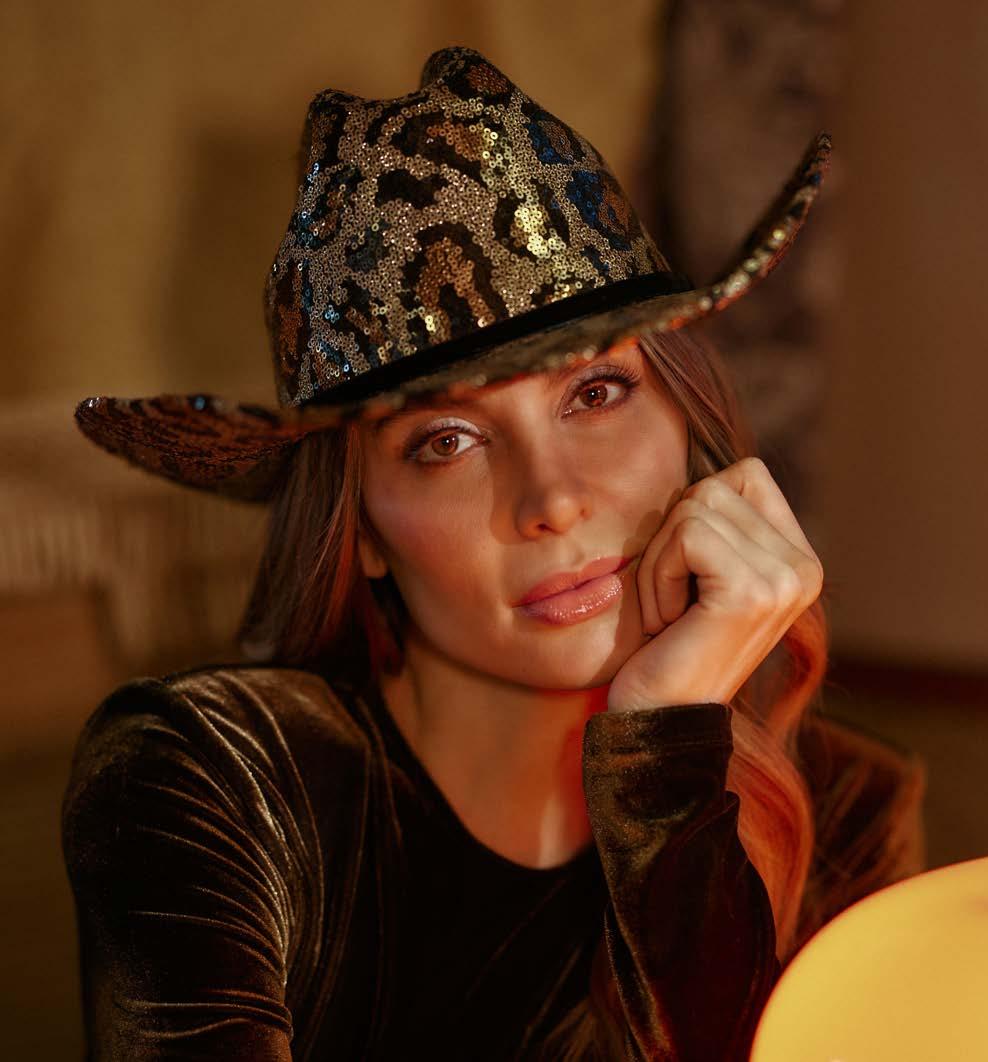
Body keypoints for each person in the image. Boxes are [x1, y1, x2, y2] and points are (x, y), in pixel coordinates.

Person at [61, 45, 925, 1061]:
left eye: (594, 394)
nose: (551, 500)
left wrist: (667, 754)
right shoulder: (211, 776)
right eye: (446, 442)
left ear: (688, 424)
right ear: (361, 530)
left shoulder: (846, 811)